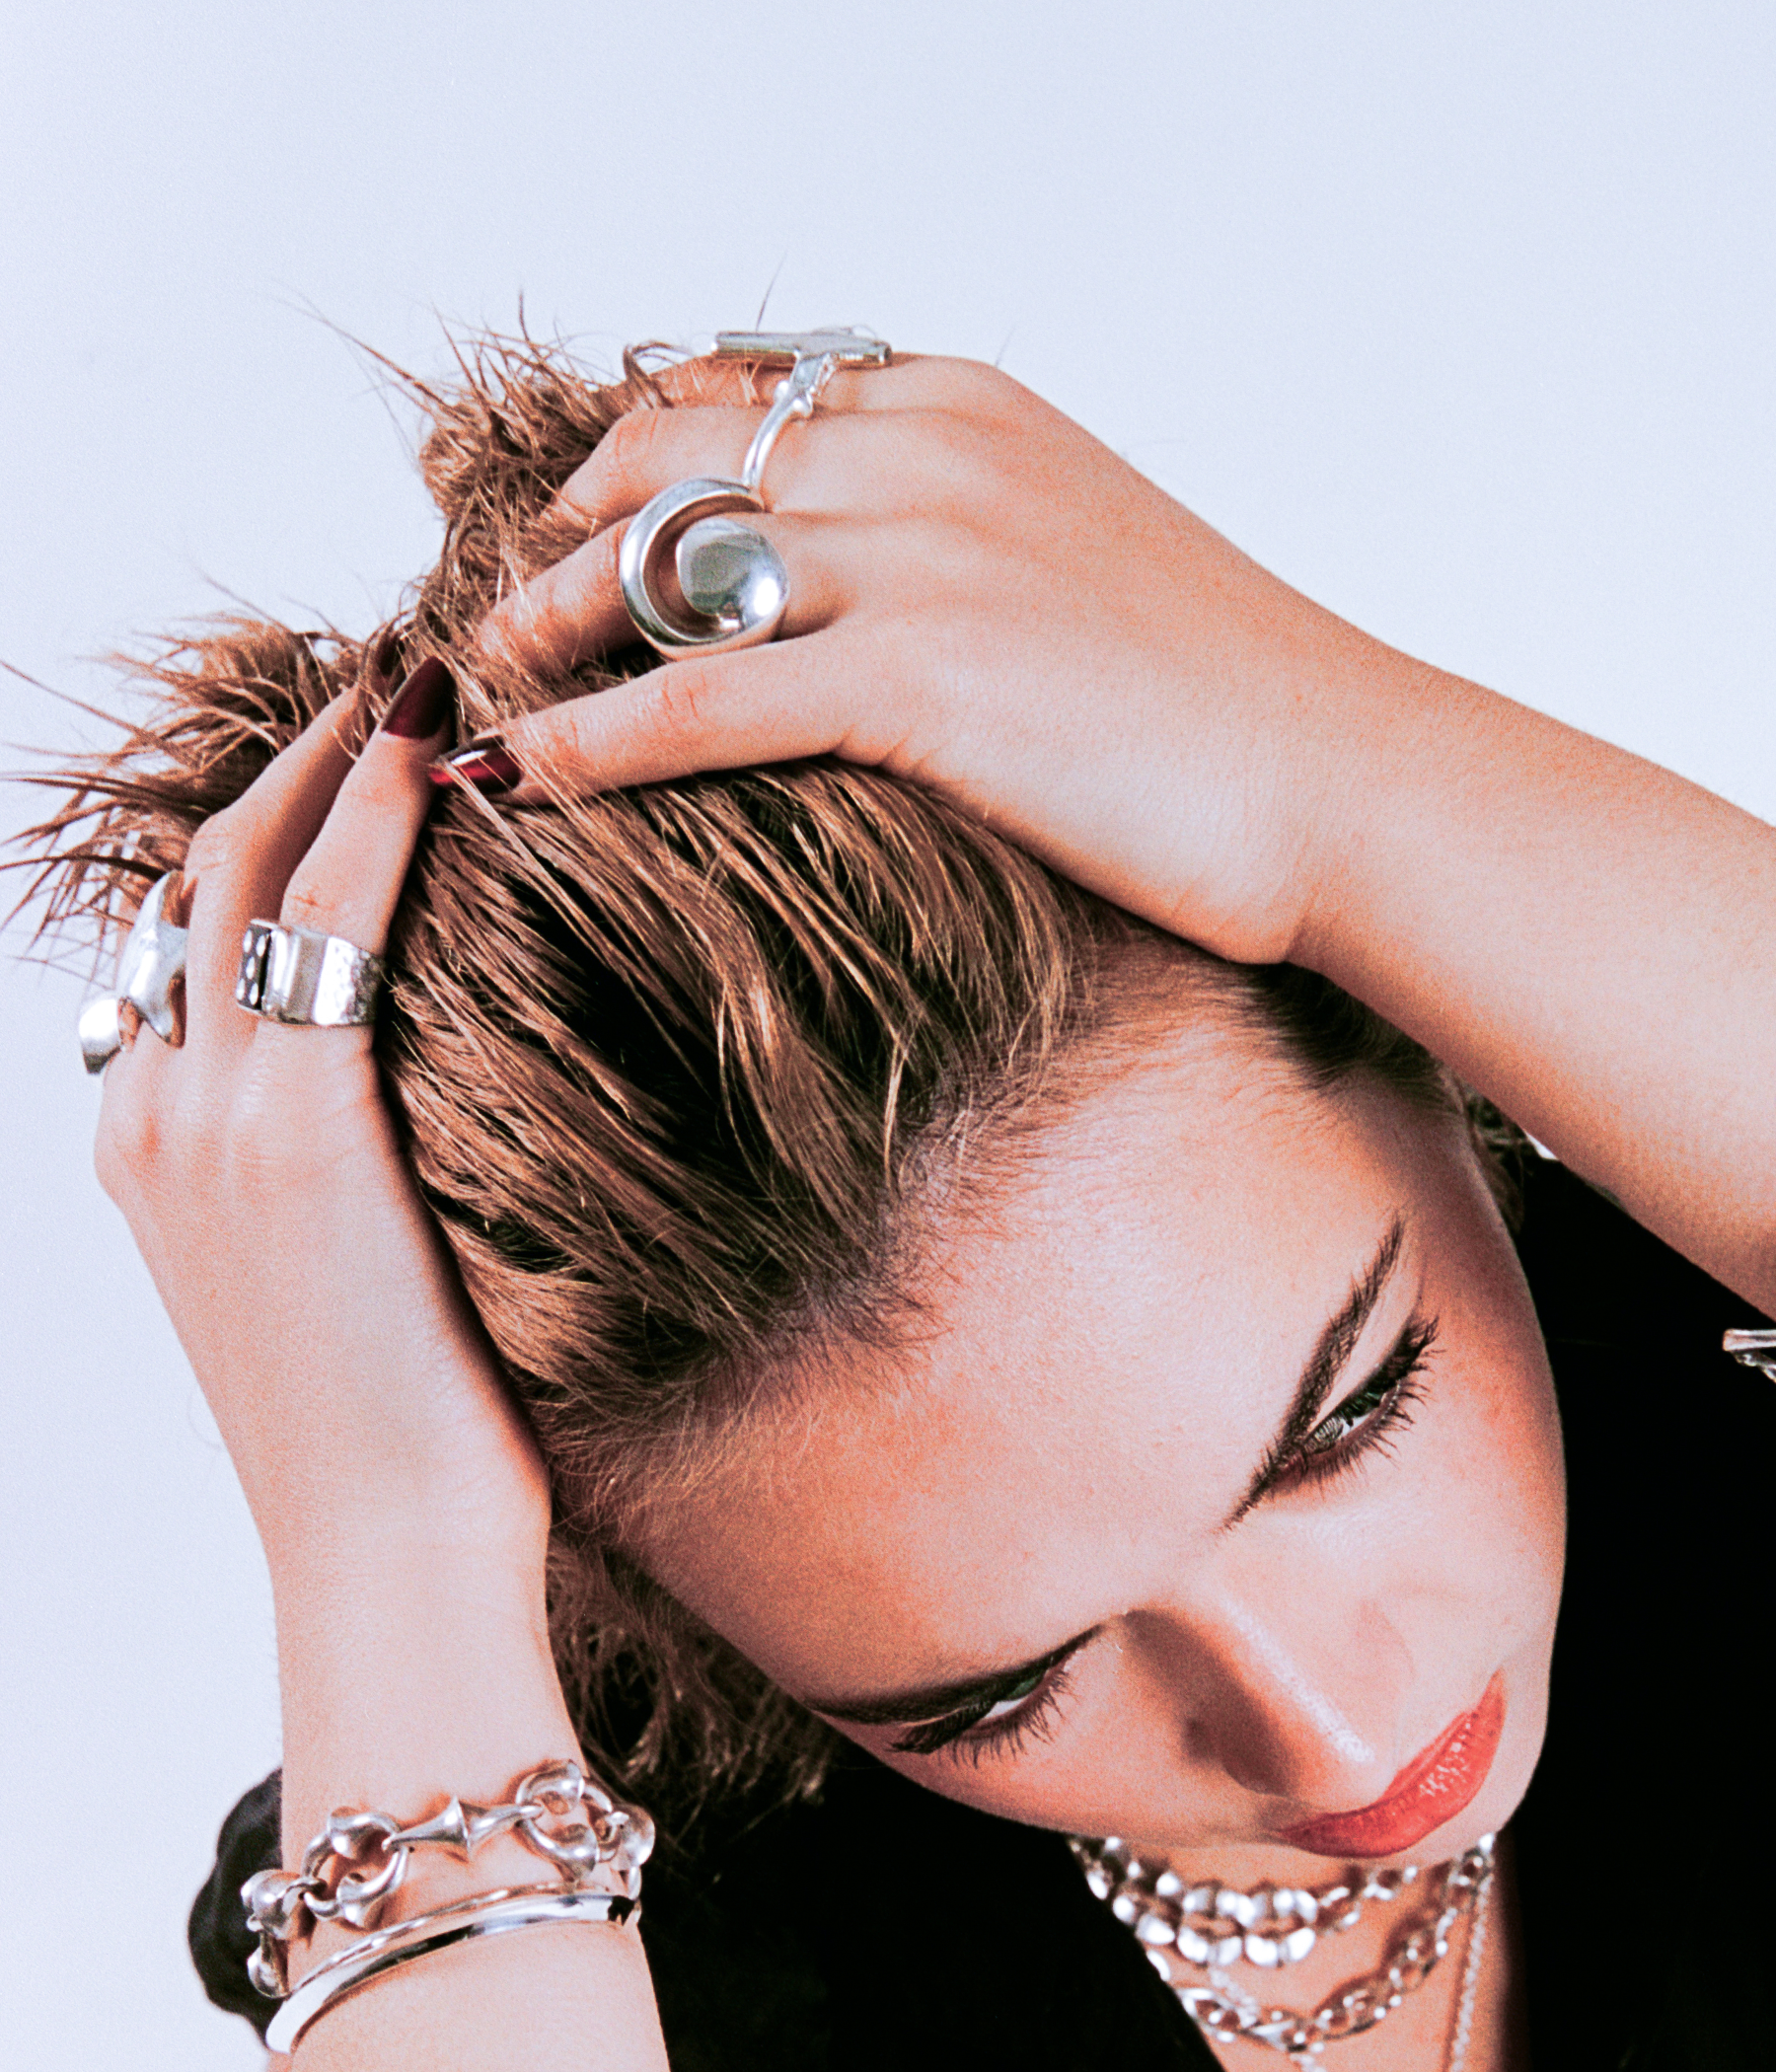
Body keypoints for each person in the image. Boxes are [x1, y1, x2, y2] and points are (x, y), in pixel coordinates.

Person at [22, 331, 1776, 2072]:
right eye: (995, 1694)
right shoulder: (606, 1943)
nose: (1331, 1736)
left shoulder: (1712, 1345)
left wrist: (1341, 767)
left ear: (1431, 1050)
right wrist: (382, 1551)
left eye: (1347, 1423)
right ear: (676, 1621)